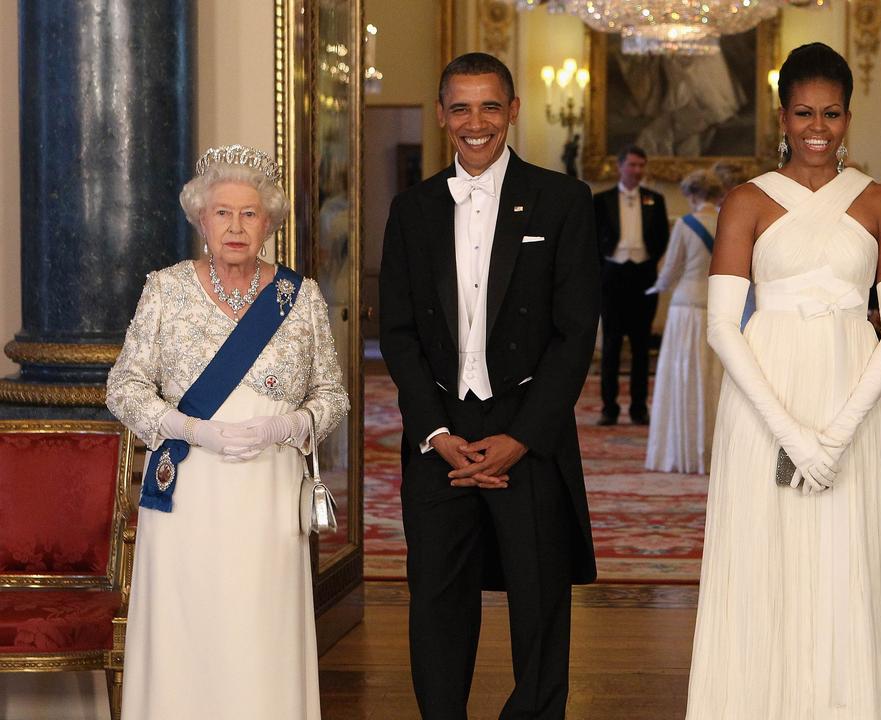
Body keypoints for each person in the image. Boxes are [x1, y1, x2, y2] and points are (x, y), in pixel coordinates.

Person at [686, 43, 881, 719]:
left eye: (833, 113)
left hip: (855, 393)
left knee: (845, 566)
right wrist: (793, 435)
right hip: (765, 399)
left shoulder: (880, 203)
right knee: (762, 564)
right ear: (783, 117)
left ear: (849, 116)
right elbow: (723, 325)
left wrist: (834, 437)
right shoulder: (746, 201)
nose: (819, 127)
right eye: (805, 113)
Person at [378, 52, 600, 719]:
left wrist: (522, 437)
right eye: (462, 107)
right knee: (437, 604)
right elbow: (397, 333)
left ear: (513, 111)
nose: (477, 123)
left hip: (527, 432)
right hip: (440, 433)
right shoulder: (412, 209)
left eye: (490, 106)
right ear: (443, 114)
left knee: (539, 606)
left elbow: (575, 333)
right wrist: (435, 432)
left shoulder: (563, 201)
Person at [106, 144, 349, 719]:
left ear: (268, 222)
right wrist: (190, 428)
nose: (235, 226)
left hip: (267, 491)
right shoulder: (166, 290)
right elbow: (124, 388)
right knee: (189, 622)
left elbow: (332, 395)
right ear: (200, 218)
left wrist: (291, 423)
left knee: (258, 624)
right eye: (222, 213)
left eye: (249, 214)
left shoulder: (301, 295)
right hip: (189, 491)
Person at [644, 169, 725, 474]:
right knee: (712, 378)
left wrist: (654, 287)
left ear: (691, 195)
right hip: (715, 306)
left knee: (684, 376)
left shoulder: (685, 224)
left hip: (685, 307)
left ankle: (682, 449)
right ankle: (713, 450)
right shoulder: (725, 221)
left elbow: (670, 270)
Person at [594, 145, 669, 426]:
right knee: (611, 345)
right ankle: (608, 408)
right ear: (620, 166)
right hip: (611, 278)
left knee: (640, 346)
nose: (637, 171)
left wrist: (646, 262)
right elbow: (590, 238)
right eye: (632, 165)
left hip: (643, 278)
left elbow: (662, 237)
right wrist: (603, 269)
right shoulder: (600, 201)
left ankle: (639, 408)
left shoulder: (655, 199)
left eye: (641, 166)